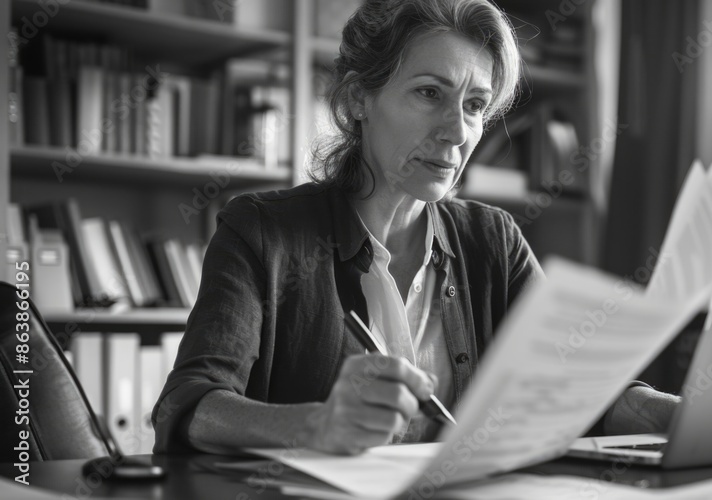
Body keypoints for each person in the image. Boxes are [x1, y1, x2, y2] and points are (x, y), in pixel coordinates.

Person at [152, 0, 680, 456]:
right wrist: (317, 425)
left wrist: (659, 410)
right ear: (359, 98)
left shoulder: (494, 241)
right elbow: (190, 403)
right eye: (430, 93)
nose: (457, 131)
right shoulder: (261, 231)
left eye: (475, 105)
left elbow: (573, 385)